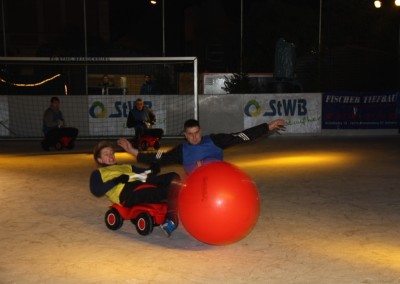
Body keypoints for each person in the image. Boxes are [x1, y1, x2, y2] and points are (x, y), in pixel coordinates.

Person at [118, 118, 286, 175]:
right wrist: (132, 150)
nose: (194, 137)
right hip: (198, 187)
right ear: (185, 135)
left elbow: (241, 136)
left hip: (219, 181)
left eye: (197, 132)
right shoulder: (181, 151)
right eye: (190, 134)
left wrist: (267, 127)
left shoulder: (215, 140)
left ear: (201, 130)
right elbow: (158, 158)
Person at [90, 140, 181, 237]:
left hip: (141, 182)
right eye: (106, 154)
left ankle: (170, 215)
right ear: (99, 159)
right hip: (127, 193)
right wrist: (116, 180)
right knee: (161, 192)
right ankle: (170, 219)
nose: (111, 156)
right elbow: (96, 191)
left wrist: (153, 169)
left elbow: (146, 173)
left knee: (173, 178)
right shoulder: (98, 173)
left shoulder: (126, 166)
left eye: (112, 153)